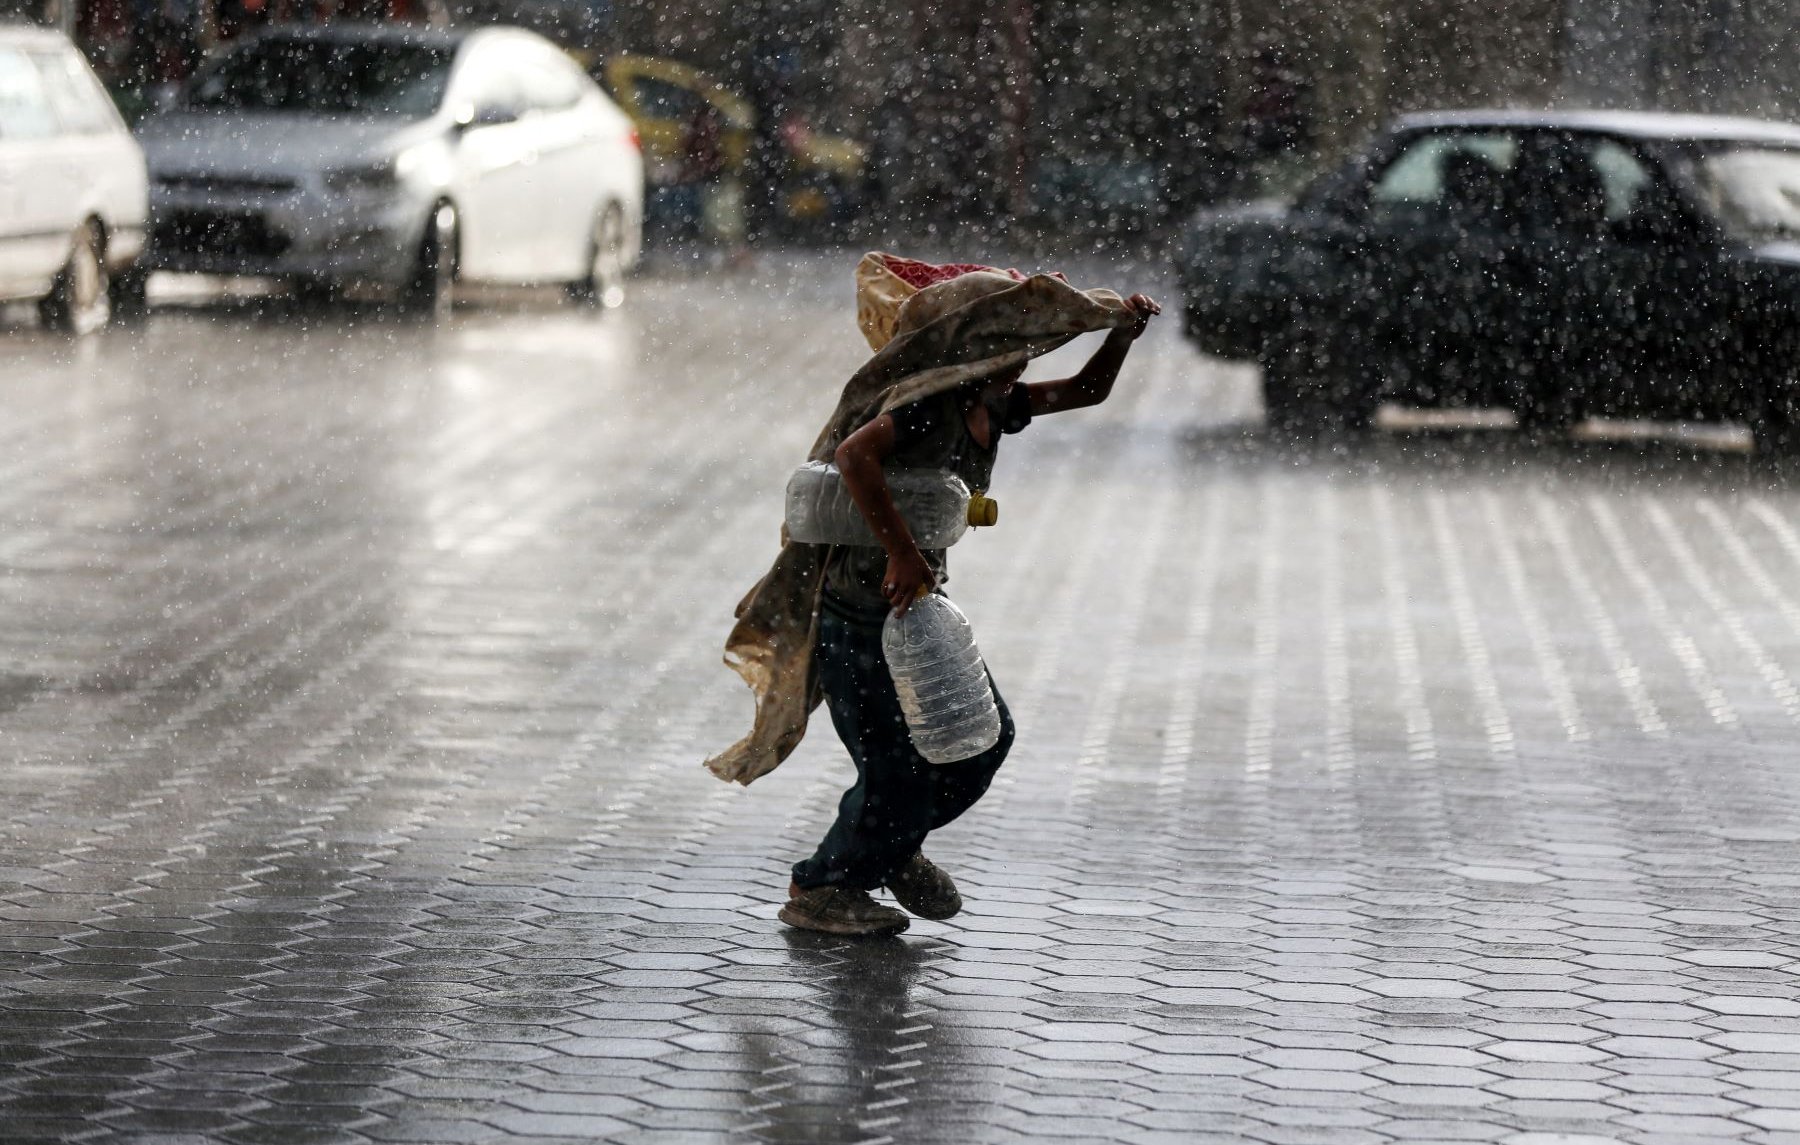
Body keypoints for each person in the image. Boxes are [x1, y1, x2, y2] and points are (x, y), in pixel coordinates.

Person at [704, 254, 1159, 937]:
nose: (1025, 358)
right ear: (975, 345)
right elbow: (856, 457)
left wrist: (1120, 336)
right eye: (1012, 343)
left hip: (913, 614)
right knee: (895, 773)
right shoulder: (929, 405)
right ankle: (824, 885)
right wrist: (902, 552)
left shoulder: (996, 401)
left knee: (981, 742)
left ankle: (886, 849)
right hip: (859, 615)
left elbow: (1085, 392)